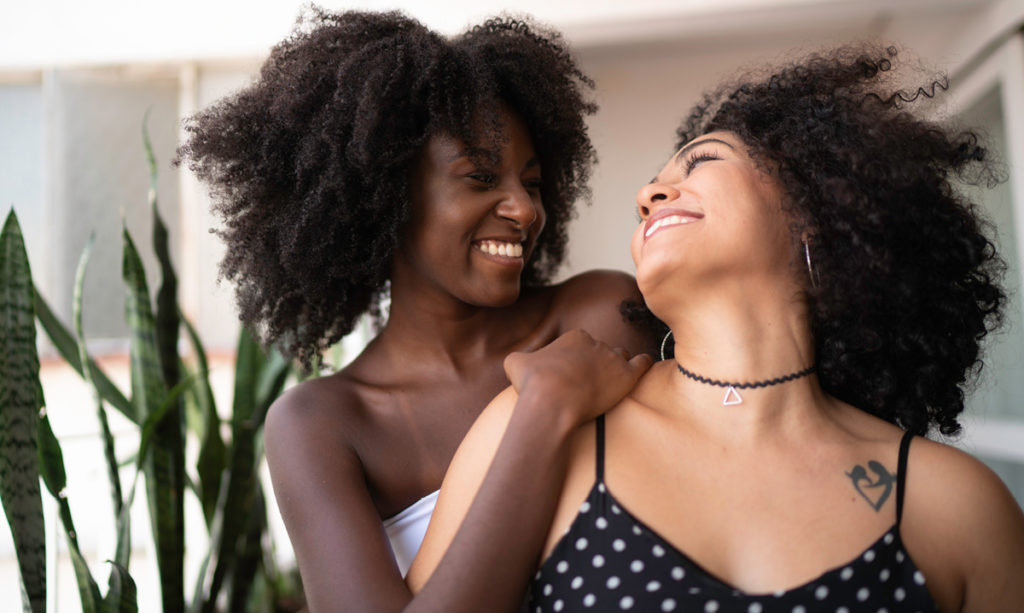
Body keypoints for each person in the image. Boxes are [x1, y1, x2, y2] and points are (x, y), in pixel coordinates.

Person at [409, 44, 1024, 611]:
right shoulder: (542, 426)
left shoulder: (955, 505)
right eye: (651, 188)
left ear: (812, 211)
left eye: (700, 161)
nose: (650, 193)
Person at [177, 7, 657, 612]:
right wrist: (542, 408)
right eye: (482, 179)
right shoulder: (322, 425)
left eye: (531, 183)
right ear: (386, 200)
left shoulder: (599, 316)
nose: (525, 209)